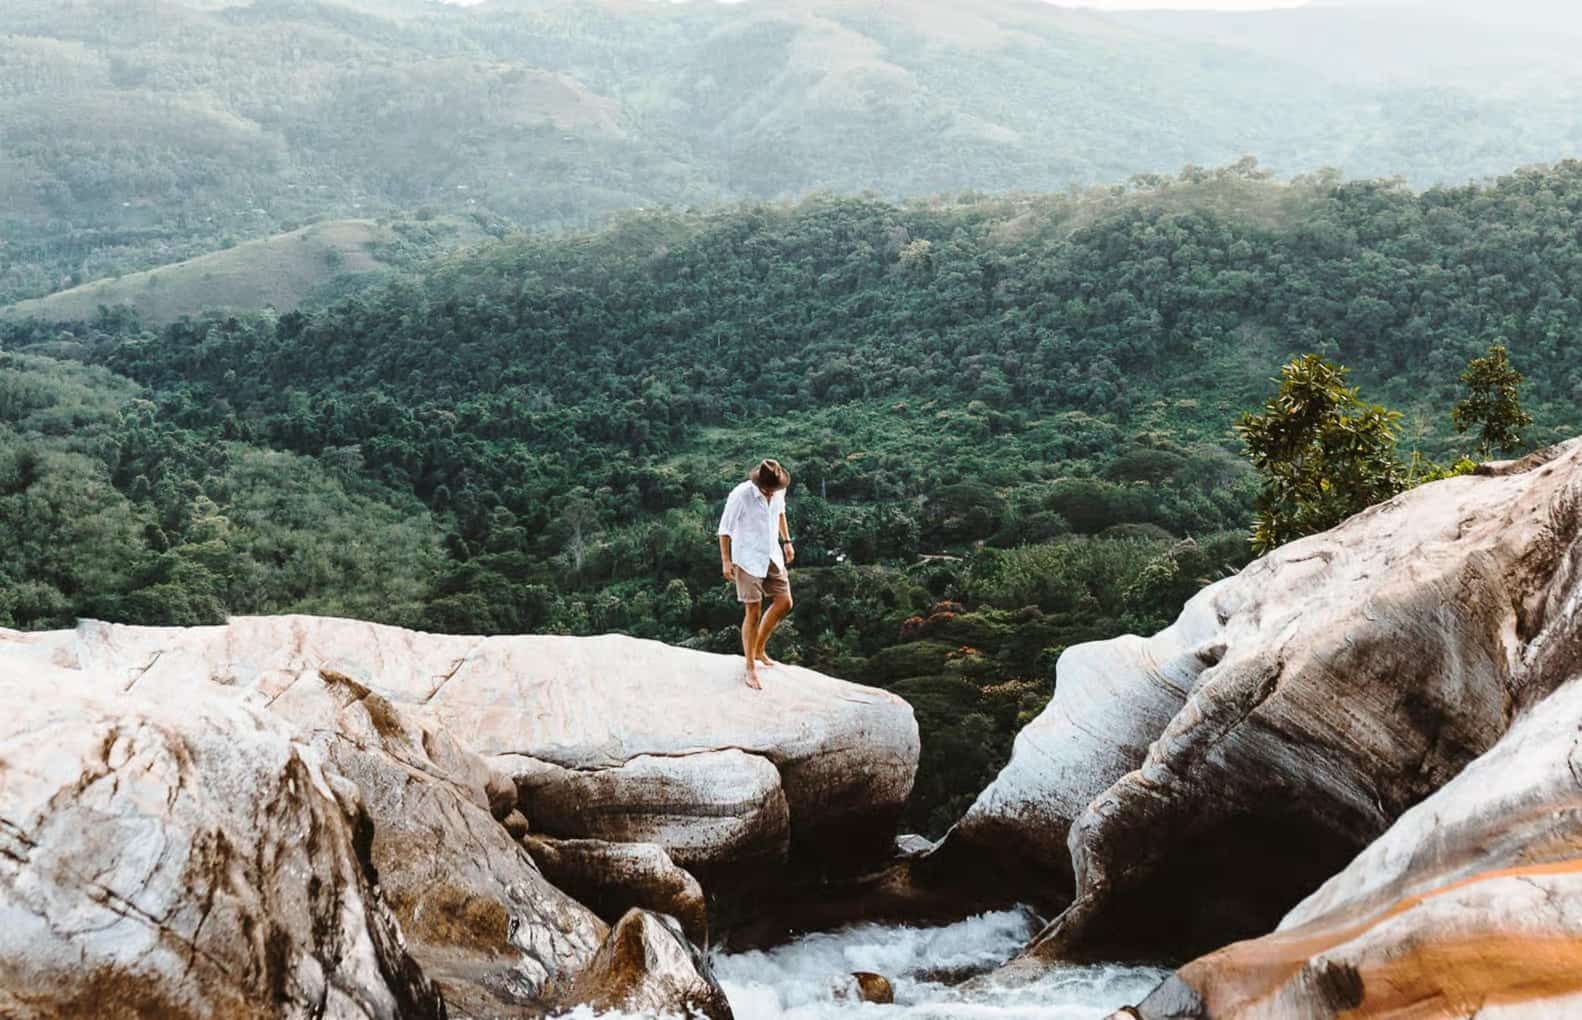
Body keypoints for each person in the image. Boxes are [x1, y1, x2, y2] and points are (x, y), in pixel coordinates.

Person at [717, 458, 795, 689]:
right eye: (768, 490)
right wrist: (726, 561)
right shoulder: (741, 495)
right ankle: (749, 666)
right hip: (748, 557)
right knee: (753, 610)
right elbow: (725, 529)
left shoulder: (778, 491)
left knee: (784, 602)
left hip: (771, 553)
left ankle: (759, 648)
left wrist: (787, 541)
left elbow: (780, 514)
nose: (771, 493)